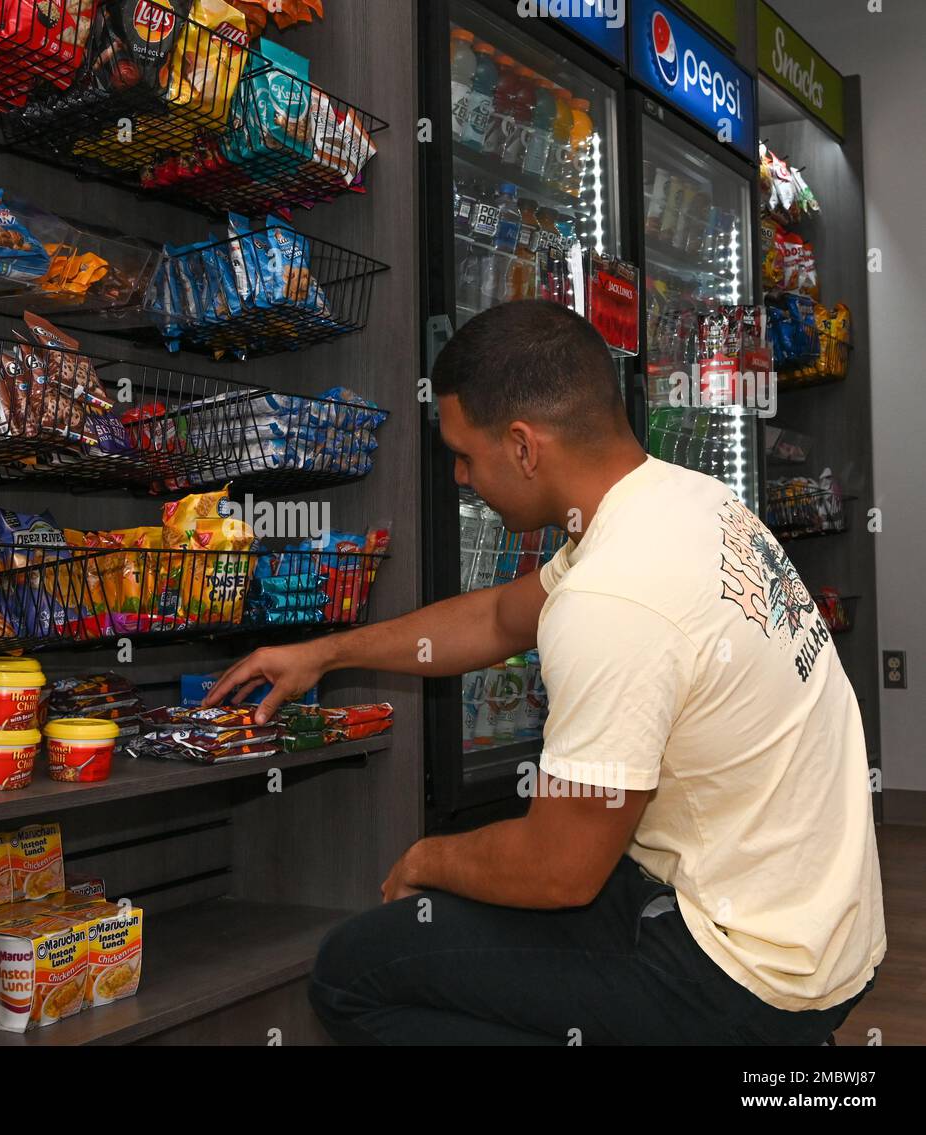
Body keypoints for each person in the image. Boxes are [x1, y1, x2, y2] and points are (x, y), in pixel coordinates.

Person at [204, 300, 885, 1045]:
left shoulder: (615, 595)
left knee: (352, 971)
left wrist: (427, 856)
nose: (462, 477)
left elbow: (560, 870)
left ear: (525, 447)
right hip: (815, 923)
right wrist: (325, 652)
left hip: (746, 977)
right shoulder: (679, 499)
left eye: (465, 453)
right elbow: (499, 617)